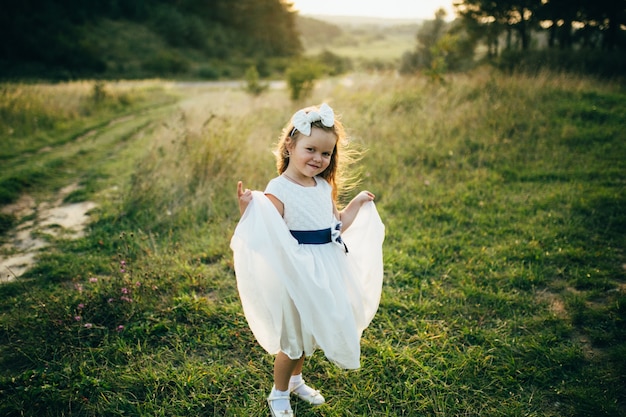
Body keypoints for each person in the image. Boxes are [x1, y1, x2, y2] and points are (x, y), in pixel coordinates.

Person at [230, 103, 384, 416]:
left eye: (326, 154)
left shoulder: (323, 186)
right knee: (291, 341)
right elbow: (266, 229)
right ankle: (278, 393)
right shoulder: (279, 188)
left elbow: (336, 223)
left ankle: (297, 382)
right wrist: (248, 208)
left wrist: (356, 203)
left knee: (306, 335)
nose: (317, 158)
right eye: (310, 149)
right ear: (290, 145)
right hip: (296, 272)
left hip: (324, 269)